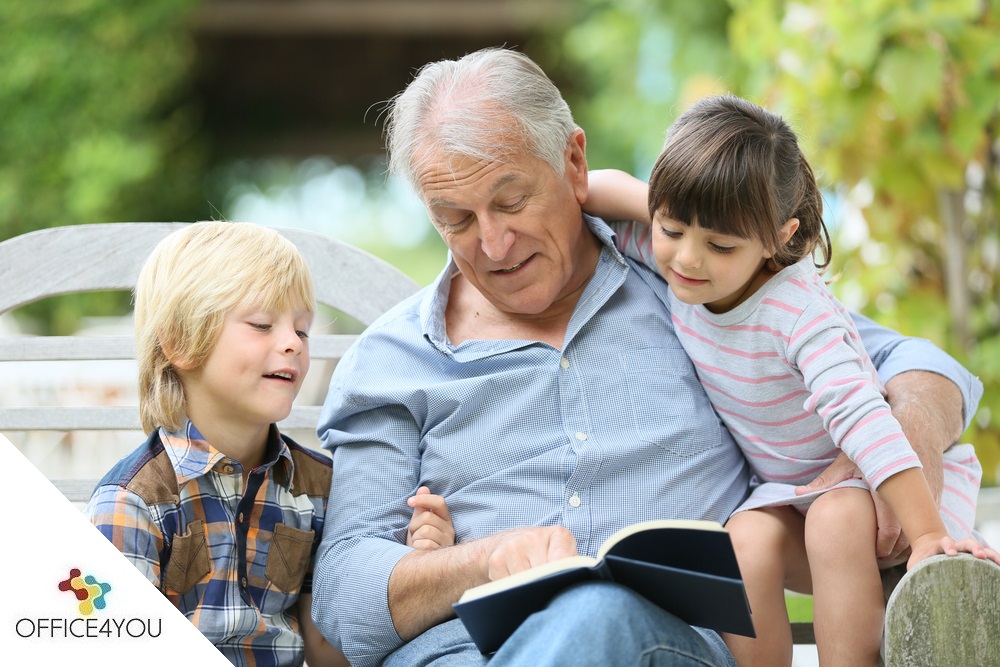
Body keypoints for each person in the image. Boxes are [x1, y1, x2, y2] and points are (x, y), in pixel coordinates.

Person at [311, 48, 984, 667]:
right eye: (454, 219)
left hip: (666, 644)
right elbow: (346, 599)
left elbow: (919, 367)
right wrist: (484, 562)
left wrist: (903, 459)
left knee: (597, 613)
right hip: (462, 652)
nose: (491, 243)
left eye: (512, 201)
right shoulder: (394, 360)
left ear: (575, 165)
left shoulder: (693, 283)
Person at [586, 94, 998, 667]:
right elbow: (596, 195)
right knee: (743, 544)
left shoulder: (798, 314)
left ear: (780, 237)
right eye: (671, 228)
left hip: (880, 488)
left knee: (834, 521)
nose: (688, 259)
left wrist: (927, 532)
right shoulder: (679, 259)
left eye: (720, 246)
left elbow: (861, 417)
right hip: (790, 495)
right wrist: (643, 202)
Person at [86, 221, 453, 667]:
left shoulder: (318, 488)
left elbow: (326, 653)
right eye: (262, 324)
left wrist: (418, 565)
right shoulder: (132, 502)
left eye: (302, 330)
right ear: (181, 342)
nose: (291, 345)